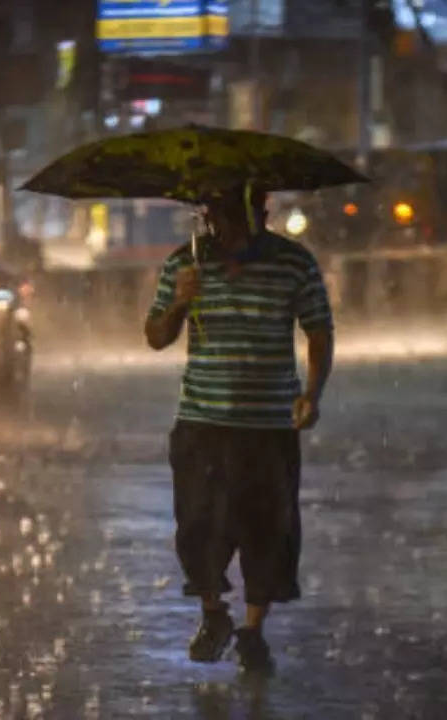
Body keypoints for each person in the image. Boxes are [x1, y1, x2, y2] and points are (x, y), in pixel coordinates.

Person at [144, 184, 334, 675]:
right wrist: (179, 303)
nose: (224, 225)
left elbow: (318, 329)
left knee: (266, 531)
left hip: (268, 426)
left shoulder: (295, 263)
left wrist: (312, 393)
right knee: (199, 528)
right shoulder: (184, 264)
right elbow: (156, 337)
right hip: (202, 421)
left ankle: (253, 631)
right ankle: (214, 614)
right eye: (217, 214)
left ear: (261, 211)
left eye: (235, 213)